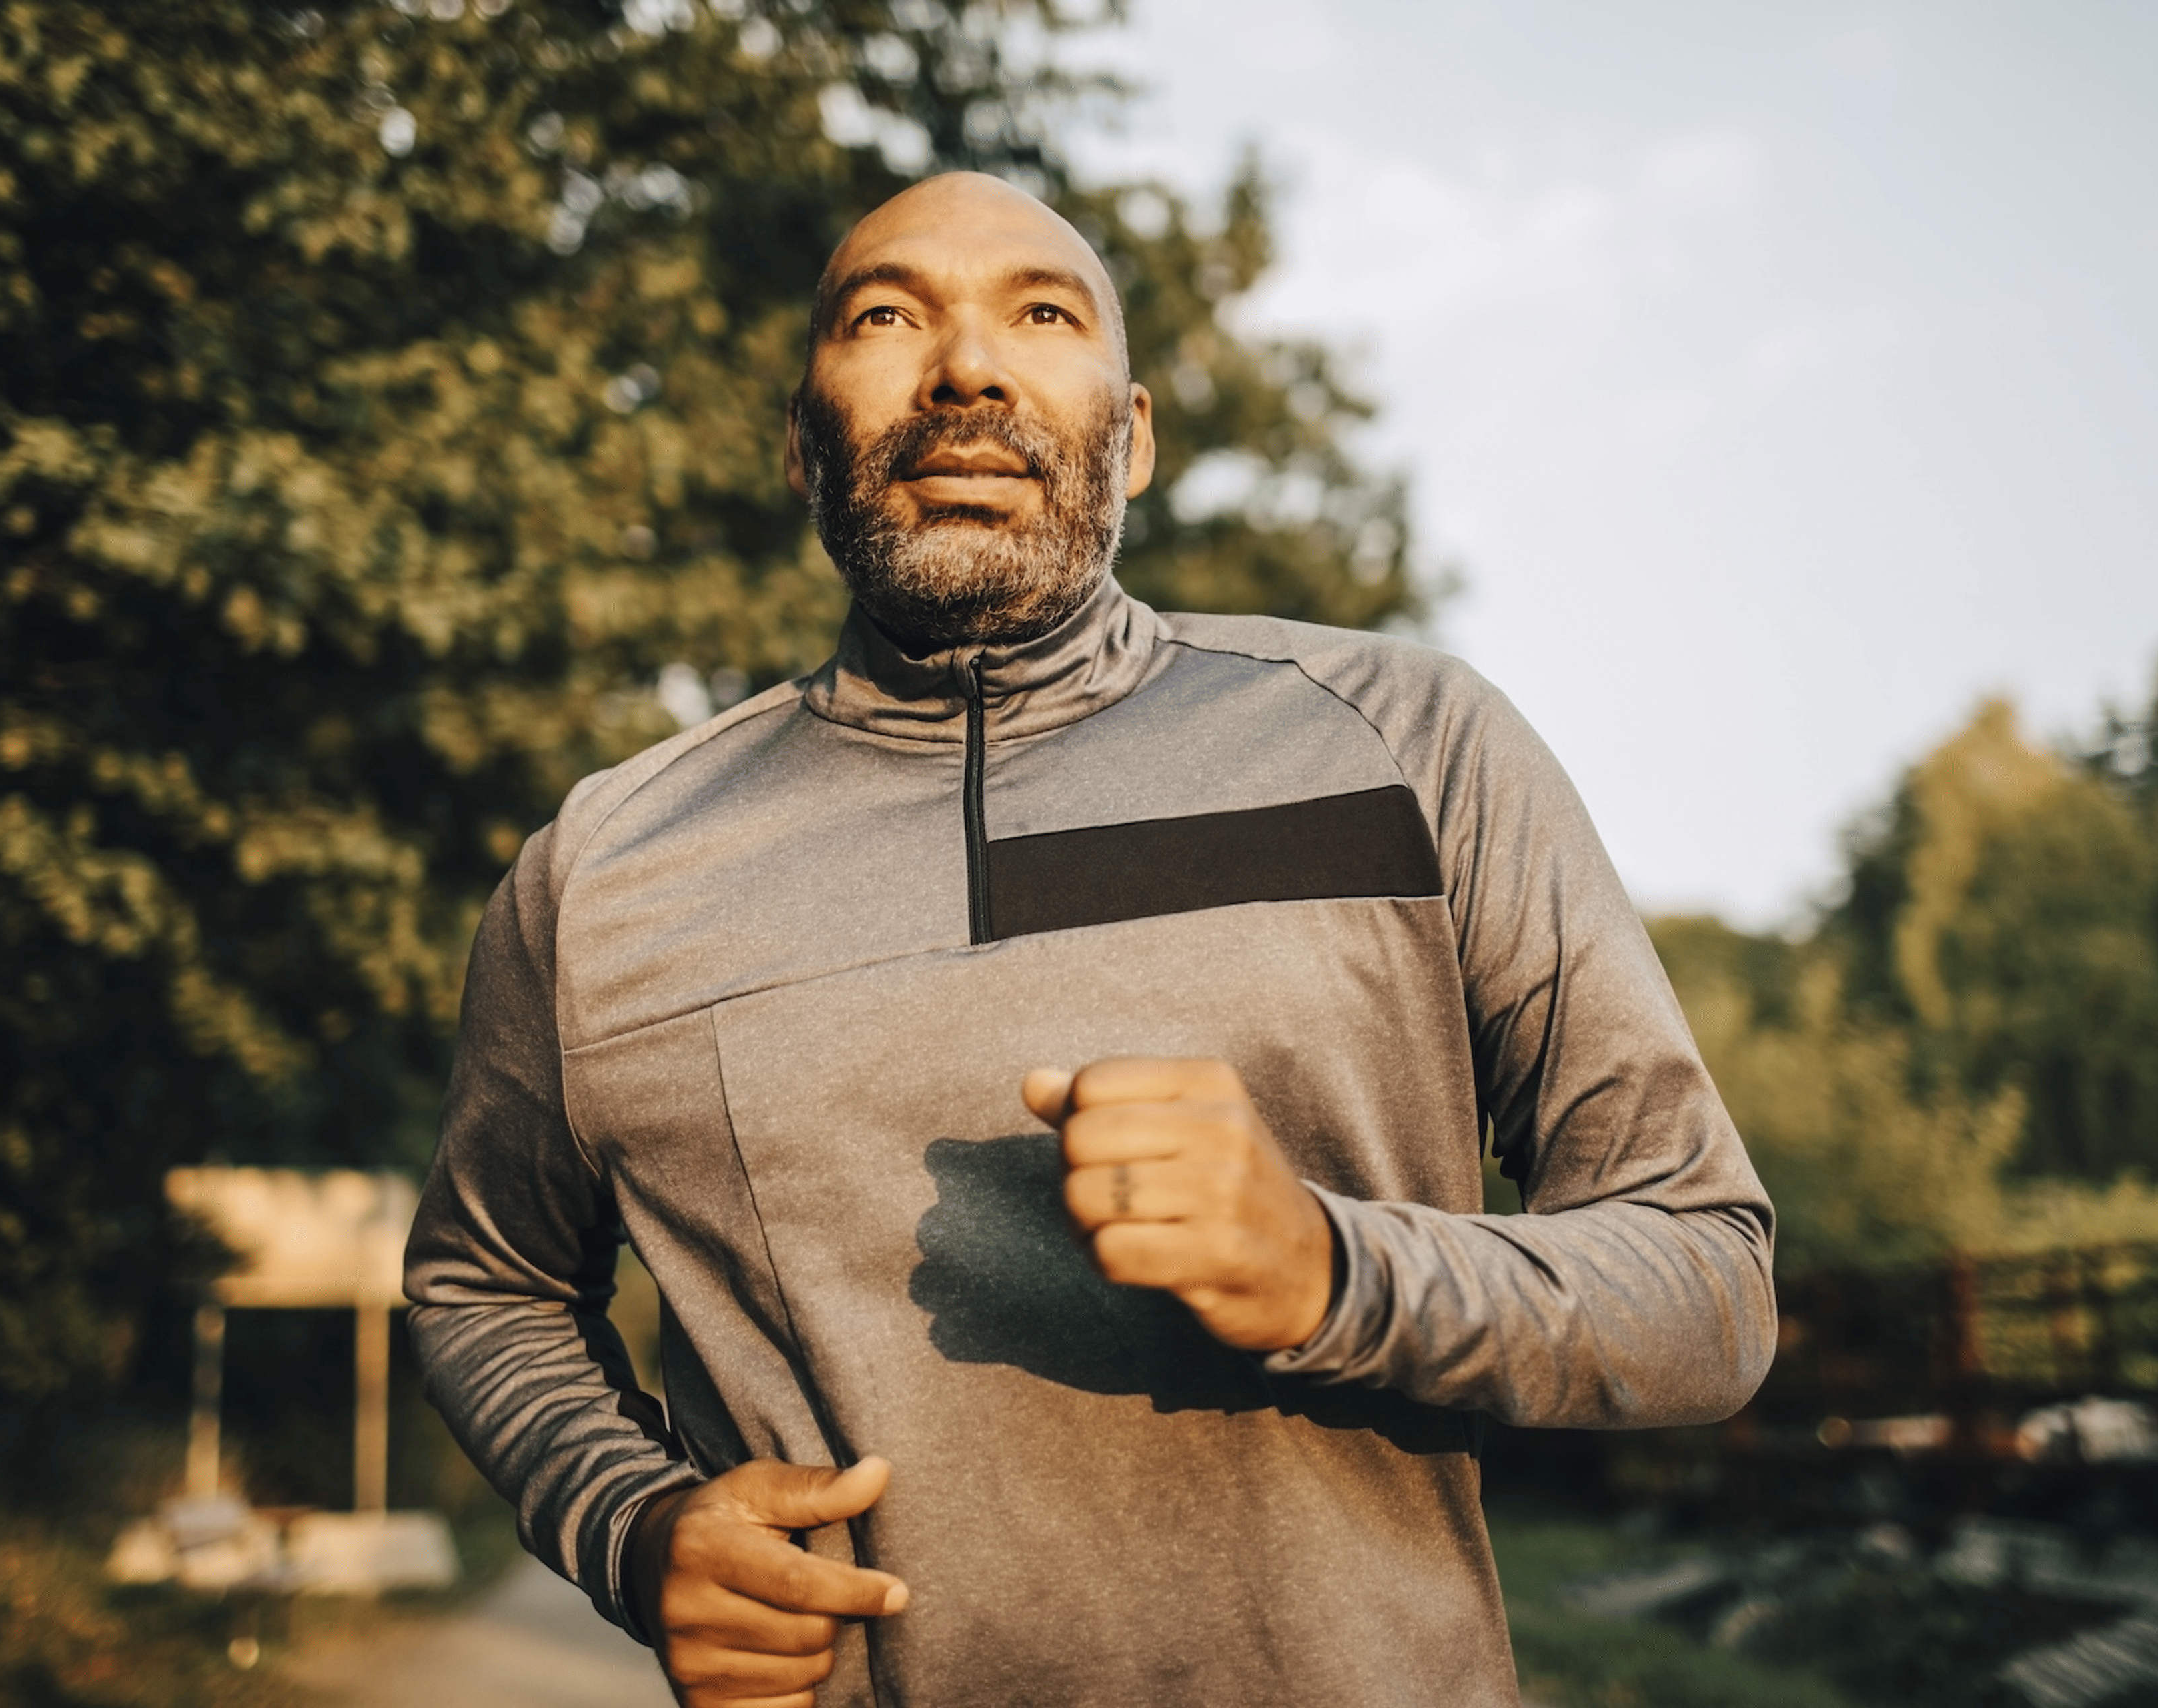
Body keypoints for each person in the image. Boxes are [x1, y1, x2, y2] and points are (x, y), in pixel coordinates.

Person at [406, 171, 1776, 1708]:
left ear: (1131, 437)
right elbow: (485, 1283)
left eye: (1040, 312)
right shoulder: (603, 870)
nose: (968, 367)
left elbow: (1705, 1283)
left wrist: (1334, 1268)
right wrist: (633, 1520)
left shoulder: (1411, 741)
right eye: (886, 315)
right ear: (802, 442)